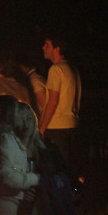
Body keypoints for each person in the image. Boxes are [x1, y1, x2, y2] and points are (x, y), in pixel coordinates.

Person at [39, 34, 82, 178]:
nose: (43, 48)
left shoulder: (56, 70)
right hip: (72, 125)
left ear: (57, 48)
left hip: (57, 127)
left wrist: (42, 128)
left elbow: (53, 101)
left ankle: (61, 199)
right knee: (69, 168)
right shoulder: (72, 69)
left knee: (58, 170)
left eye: (47, 45)